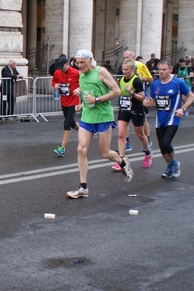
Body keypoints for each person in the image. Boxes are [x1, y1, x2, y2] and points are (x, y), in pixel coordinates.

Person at [66, 50, 133, 199]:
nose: (79, 65)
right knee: (81, 149)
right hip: (87, 117)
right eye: (77, 62)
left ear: (90, 59)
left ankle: (123, 162)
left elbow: (116, 91)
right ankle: (83, 187)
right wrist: (82, 103)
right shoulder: (81, 74)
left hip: (103, 116)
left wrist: (96, 100)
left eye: (82, 62)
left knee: (104, 153)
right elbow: (87, 93)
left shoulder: (101, 71)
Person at [143, 60, 194, 179]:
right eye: (159, 69)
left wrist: (183, 108)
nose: (161, 72)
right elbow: (153, 101)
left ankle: (173, 164)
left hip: (173, 118)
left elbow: (191, 96)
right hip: (160, 119)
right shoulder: (155, 84)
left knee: (166, 143)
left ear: (170, 70)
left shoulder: (177, 83)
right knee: (162, 147)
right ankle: (171, 166)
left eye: (164, 69)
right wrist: (148, 102)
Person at [112, 58, 152, 171]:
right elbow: (118, 92)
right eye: (123, 69)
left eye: (127, 70)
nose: (124, 72)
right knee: (120, 134)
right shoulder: (121, 80)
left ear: (132, 70)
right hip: (124, 109)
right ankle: (122, 160)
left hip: (136, 109)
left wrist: (131, 92)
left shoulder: (136, 81)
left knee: (140, 135)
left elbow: (142, 97)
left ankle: (147, 153)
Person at [51, 56, 80, 157]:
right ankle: (86, 132)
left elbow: (85, 83)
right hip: (64, 101)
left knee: (66, 123)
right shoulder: (57, 72)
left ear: (67, 64)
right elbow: (54, 81)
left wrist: (79, 89)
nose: (61, 70)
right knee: (71, 123)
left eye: (62, 68)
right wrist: (55, 85)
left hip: (73, 101)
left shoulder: (76, 73)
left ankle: (62, 148)